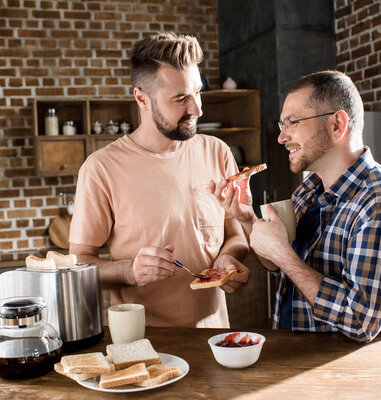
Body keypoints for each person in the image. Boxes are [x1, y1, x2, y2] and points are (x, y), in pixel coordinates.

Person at [209, 70, 381, 342]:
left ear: (337, 124)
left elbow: (360, 322)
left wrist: (283, 255)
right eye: (282, 125)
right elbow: (280, 266)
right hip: (303, 363)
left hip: (357, 377)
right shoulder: (309, 189)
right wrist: (246, 217)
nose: (281, 138)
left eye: (293, 123)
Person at [69, 32, 250, 328]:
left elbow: (236, 234)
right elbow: (78, 264)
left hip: (214, 336)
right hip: (143, 343)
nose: (197, 109)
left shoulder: (217, 152)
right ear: (142, 98)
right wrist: (130, 271)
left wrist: (227, 260)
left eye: (198, 93)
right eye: (180, 98)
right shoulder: (101, 168)